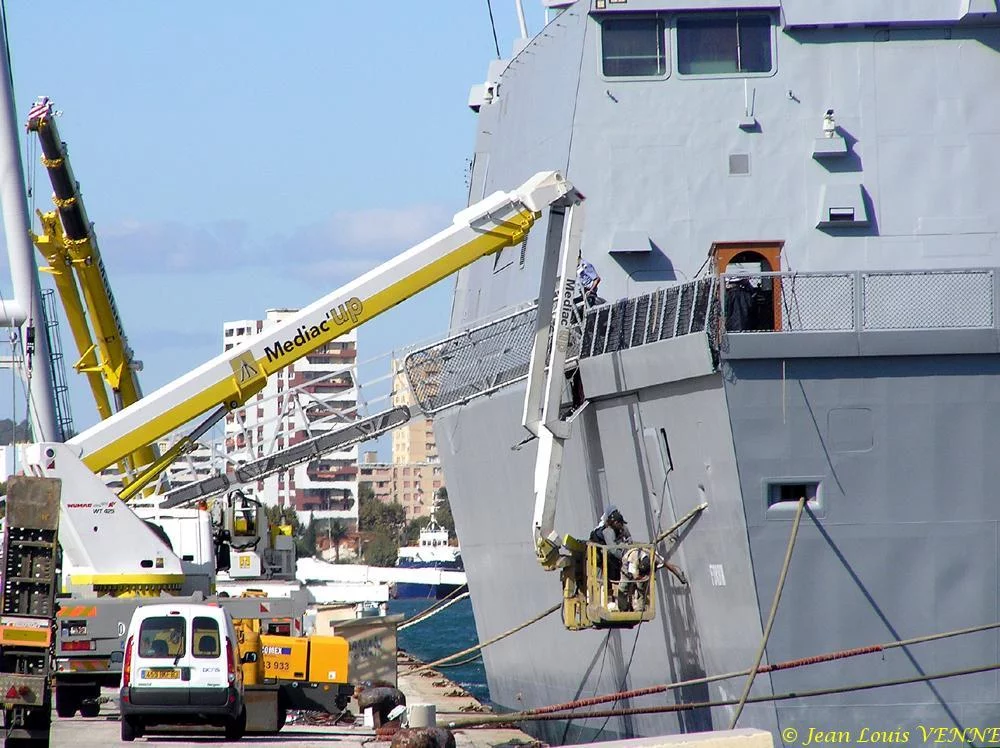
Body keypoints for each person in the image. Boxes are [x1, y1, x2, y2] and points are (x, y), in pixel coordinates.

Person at [589, 505, 633, 609]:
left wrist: (628, 547)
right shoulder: (607, 531)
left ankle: (624, 602)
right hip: (599, 556)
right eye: (619, 524)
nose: (621, 525)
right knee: (600, 581)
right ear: (614, 523)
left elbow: (629, 539)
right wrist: (625, 556)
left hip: (611, 555)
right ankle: (600, 603)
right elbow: (612, 549)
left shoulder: (622, 528)